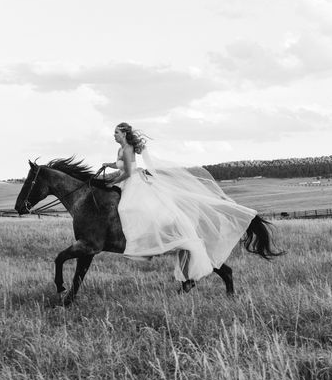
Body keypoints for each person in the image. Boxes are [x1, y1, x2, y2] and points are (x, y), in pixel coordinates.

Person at [102, 122, 257, 287]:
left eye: (116, 132)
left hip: (132, 182)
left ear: (124, 134)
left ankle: (142, 243)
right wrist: (108, 165)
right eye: (114, 132)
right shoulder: (121, 149)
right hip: (125, 182)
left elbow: (127, 172)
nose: (114, 135)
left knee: (127, 208)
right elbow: (120, 165)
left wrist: (111, 183)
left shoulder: (127, 149)